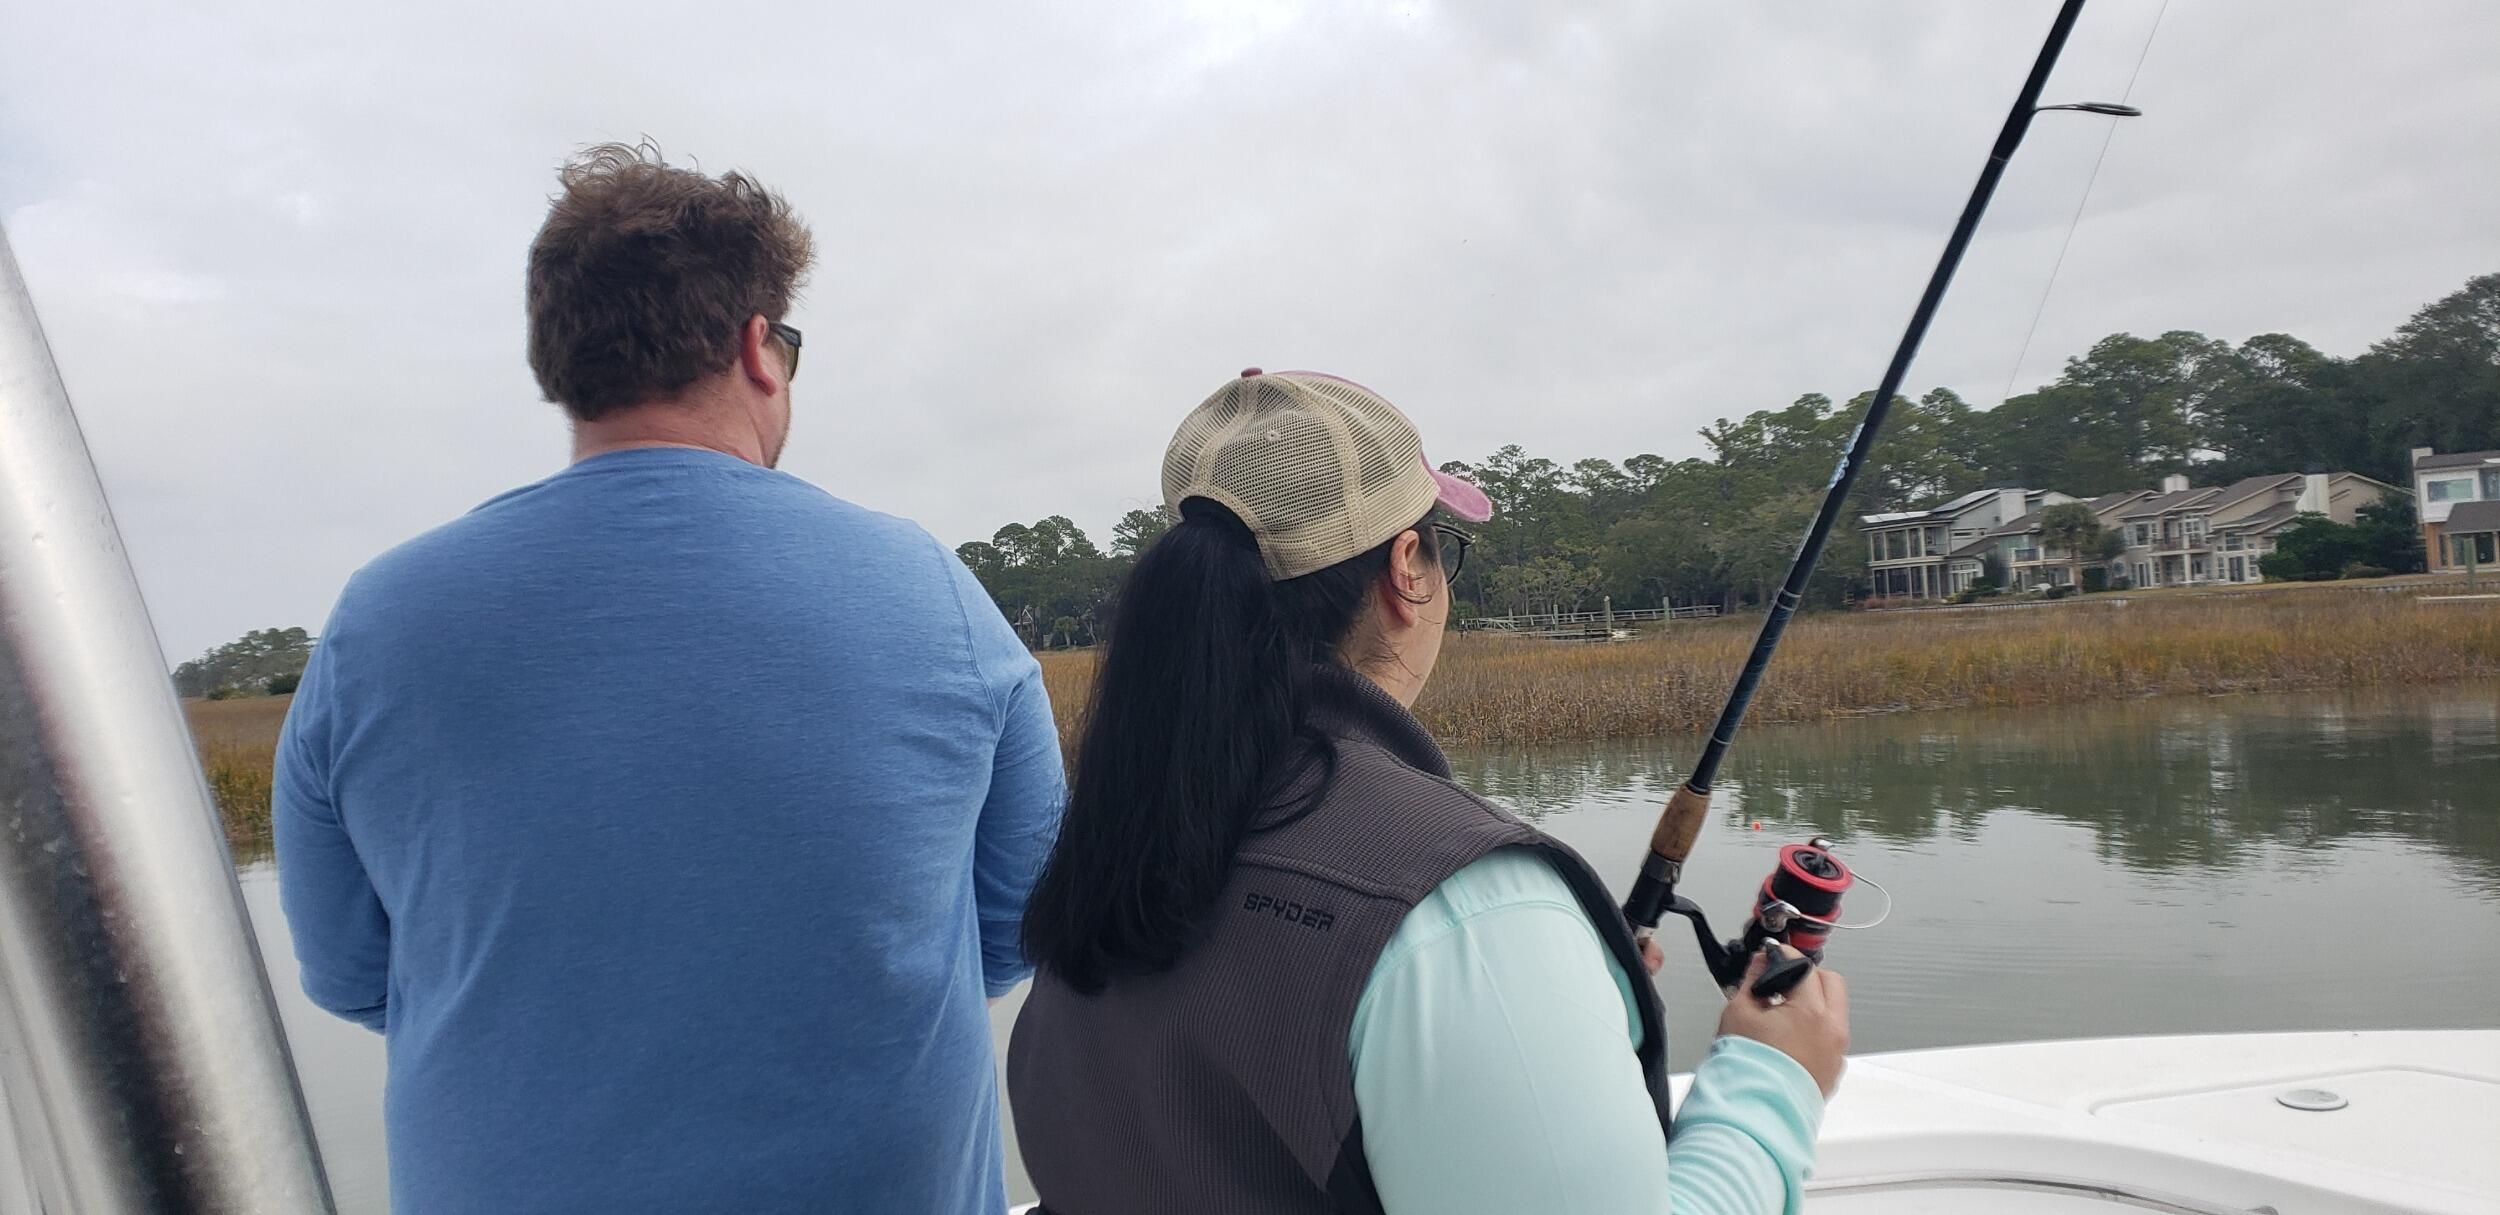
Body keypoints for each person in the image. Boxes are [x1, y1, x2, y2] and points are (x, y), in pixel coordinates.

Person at [274, 143, 1063, 1213]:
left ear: (564, 357)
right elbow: (1013, 926)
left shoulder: (378, 620)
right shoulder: (929, 592)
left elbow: (351, 972)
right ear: (757, 348)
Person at [1008, 369, 1845, 1214]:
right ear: (1407, 567)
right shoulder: (1466, 907)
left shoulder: (1113, 848)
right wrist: (1770, 1081)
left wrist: (1551, 1007)